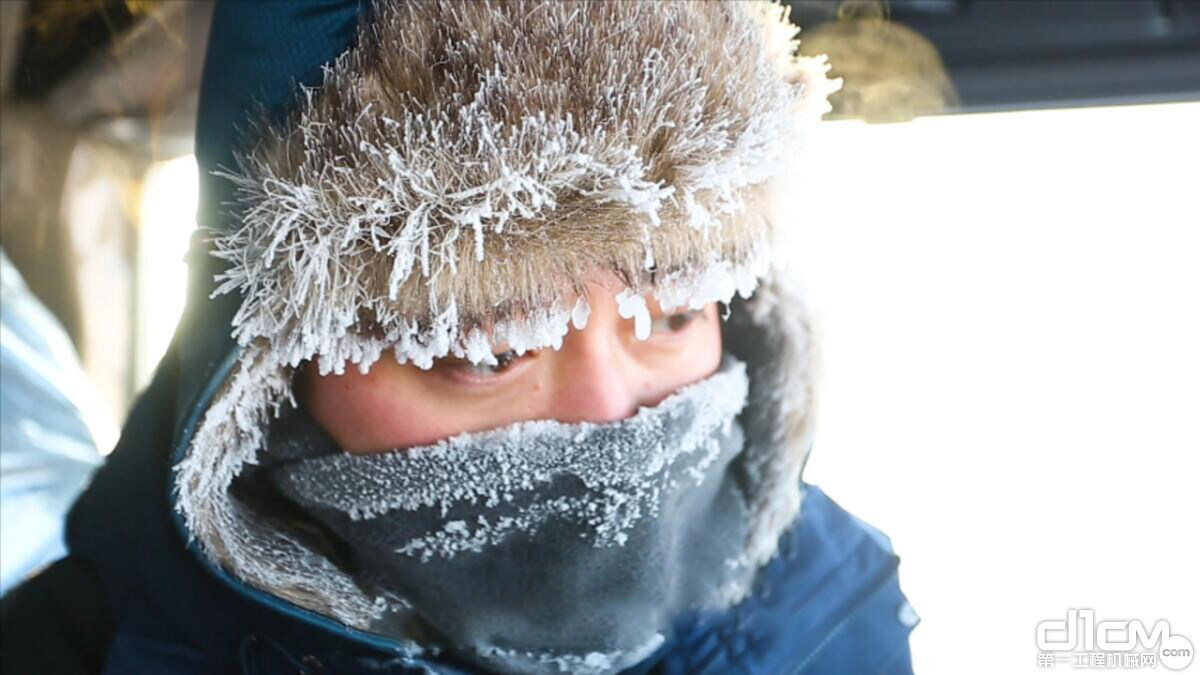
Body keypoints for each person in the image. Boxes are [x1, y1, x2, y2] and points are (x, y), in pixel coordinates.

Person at [0, 2, 918, 673]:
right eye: (482, 349)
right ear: (270, 376)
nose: (606, 410)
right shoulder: (64, 653)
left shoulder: (835, 623)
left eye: (673, 311)